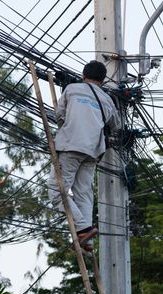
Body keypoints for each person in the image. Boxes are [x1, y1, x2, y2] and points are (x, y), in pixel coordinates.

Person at [47, 60, 121, 251]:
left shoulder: (72, 89)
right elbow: (116, 125)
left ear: (83, 75)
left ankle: (84, 228)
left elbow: (59, 115)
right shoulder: (107, 99)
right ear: (102, 80)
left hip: (71, 145)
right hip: (94, 150)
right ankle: (86, 240)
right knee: (84, 194)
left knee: (56, 192)